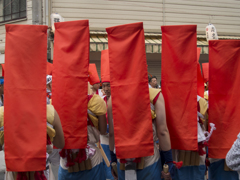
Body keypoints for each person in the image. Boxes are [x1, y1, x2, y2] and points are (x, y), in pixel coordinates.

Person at [108, 88, 174, 180]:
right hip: (149, 158)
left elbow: (112, 133)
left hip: (123, 158)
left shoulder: (113, 96)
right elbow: (162, 132)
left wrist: (113, 160)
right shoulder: (154, 94)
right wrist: (169, 160)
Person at [0, 104, 65, 179]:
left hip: (14, 175)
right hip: (42, 174)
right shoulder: (49, 111)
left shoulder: (2, 113)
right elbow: (60, 144)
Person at [58, 93, 107, 180]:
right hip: (92, 160)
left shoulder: (55, 102)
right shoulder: (95, 101)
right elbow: (103, 131)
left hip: (67, 160)